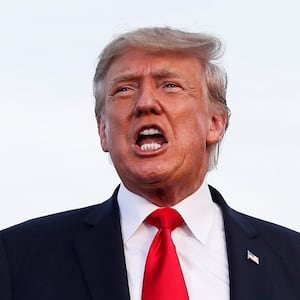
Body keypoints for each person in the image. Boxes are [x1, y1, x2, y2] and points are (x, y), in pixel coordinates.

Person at [0, 27, 299, 300]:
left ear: (215, 123)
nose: (145, 103)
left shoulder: (291, 259)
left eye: (169, 85)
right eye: (125, 89)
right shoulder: (18, 258)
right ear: (103, 130)